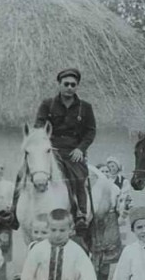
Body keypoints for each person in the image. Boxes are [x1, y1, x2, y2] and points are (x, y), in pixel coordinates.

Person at [34, 68, 97, 228]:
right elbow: (39, 125)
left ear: (77, 87)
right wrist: (45, 143)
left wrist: (80, 149)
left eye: (73, 85)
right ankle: (13, 210)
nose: (69, 87)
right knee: (27, 171)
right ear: (59, 84)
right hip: (51, 149)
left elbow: (90, 131)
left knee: (78, 177)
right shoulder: (47, 104)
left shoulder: (85, 107)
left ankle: (81, 213)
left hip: (73, 151)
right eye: (66, 84)